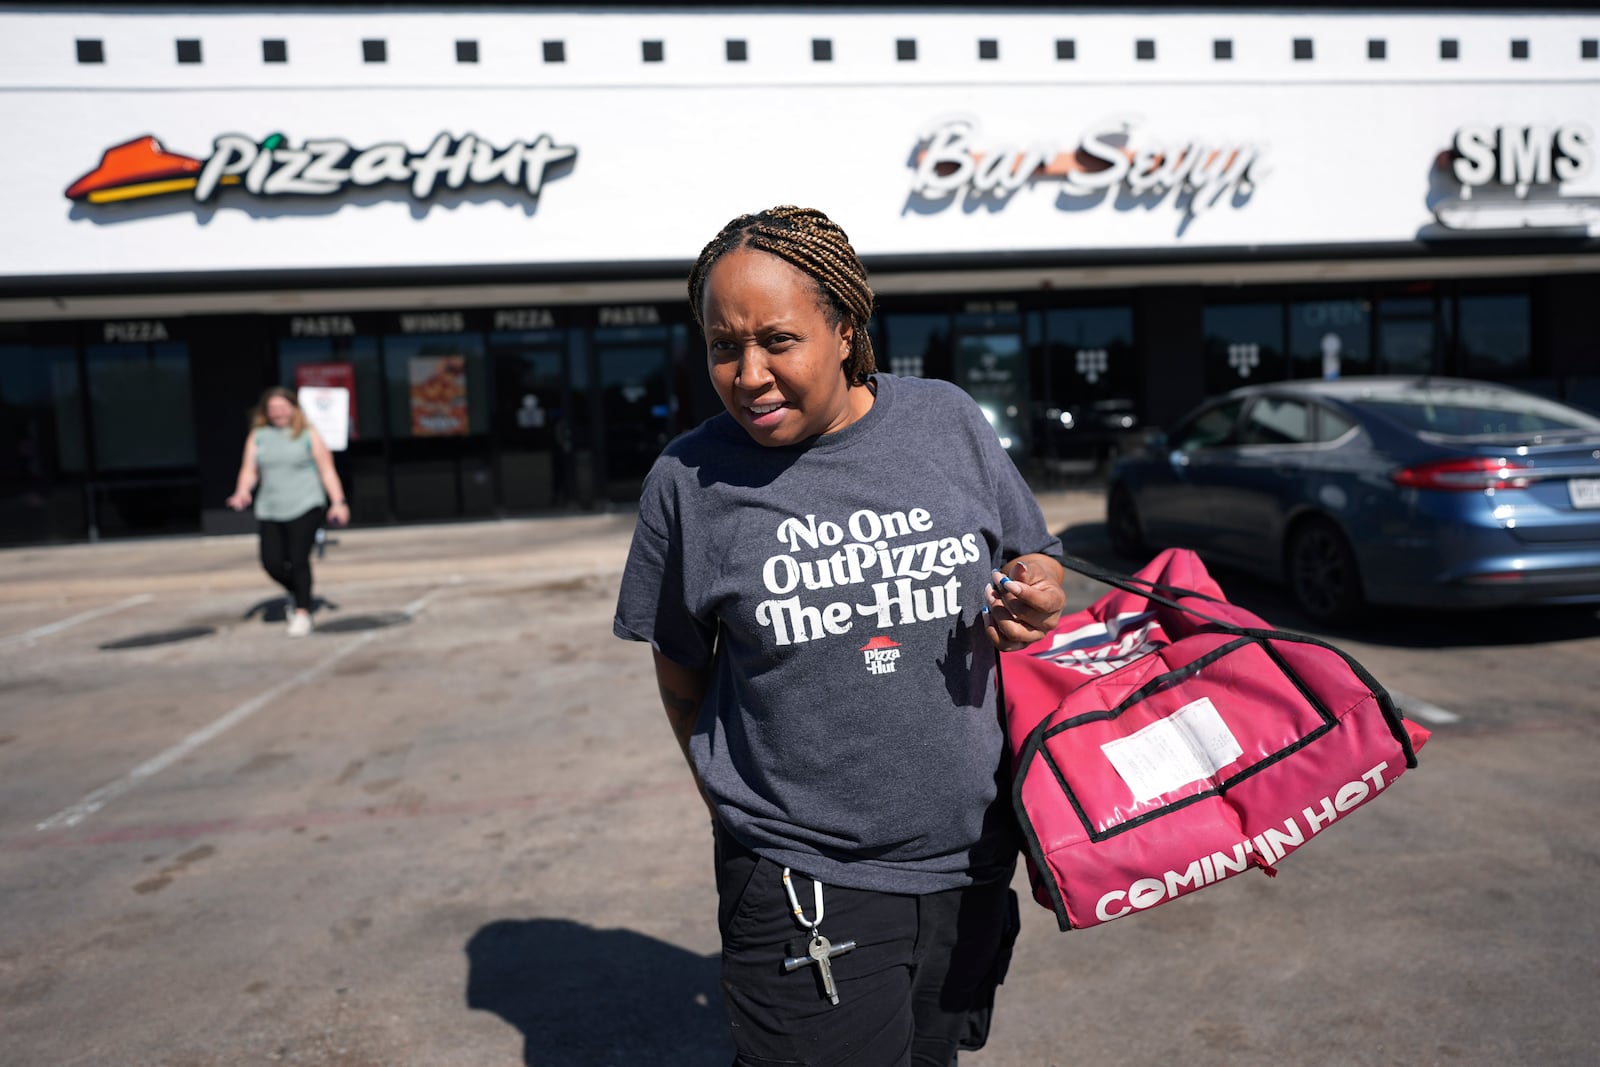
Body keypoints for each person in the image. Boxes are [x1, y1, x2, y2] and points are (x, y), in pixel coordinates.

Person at [613, 206, 1067, 1066]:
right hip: (800, 876)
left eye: (777, 340)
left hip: (970, 860)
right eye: (722, 345)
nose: (747, 374)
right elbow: (680, 671)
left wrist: (1040, 591)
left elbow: (1033, 554)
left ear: (846, 328)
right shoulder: (687, 481)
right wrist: (737, 809)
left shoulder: (946, 422)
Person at [226, 387, 349, 637]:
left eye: (283, 408)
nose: (278, 413)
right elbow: (249, 470)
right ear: (266, 412)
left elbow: (326, 470)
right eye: (273, 409)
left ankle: (302, 612)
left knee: (298, 559)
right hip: (270, 507)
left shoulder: (308, 434)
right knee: (271, 563)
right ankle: (300, 591)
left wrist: (338, 502)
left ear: (294, 409)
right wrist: (242, 492)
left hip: (305, 504)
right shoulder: (258, 436)